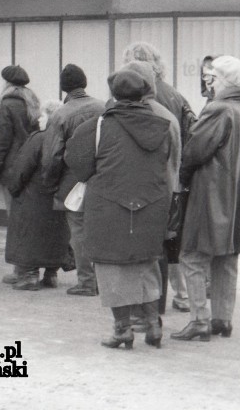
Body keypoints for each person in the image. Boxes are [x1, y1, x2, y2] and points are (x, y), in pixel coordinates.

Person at [65, 68, 177, 349]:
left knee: (110, 267)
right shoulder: (161, 125)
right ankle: (153, 325)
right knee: (147, 263)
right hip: (151, 204)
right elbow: (168, 163)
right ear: (144, 94)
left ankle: (123, 330)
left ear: (114, 94)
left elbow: (77, 164)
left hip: (108, 206)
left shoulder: (97, 126)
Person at [171, 56, 240, 342]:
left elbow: (195, 150)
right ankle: (223, 319)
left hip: (209, 193)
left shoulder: (218, 110)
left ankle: (199, 320)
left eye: (214, 77)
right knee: (226, 257)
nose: (209, 82)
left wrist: (181, 179)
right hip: (237, 194)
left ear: (226, 81)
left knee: (192, 255)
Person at [122, 43, 196, 313]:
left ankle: (154, 302)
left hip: (150, 181)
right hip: (173, 178)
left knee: (156, 243)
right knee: (171, 239)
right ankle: (182, 294)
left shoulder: (144, 98)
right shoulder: (174, 94)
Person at [41, 63, 106, 296]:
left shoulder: (60, 114)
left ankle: (87, 282)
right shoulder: (104, 107)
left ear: (64, 88)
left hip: (72, 182)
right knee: (100, 229)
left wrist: (49, 183)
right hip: (103, 179)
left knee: (78, 231)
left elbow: (52, 155)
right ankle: (103, 280)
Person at [0, 65, 40, 284]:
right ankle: (29, 268)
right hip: (31, 166)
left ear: (6, 83)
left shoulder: (5, 105)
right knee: (28, 218)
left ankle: (21, 270)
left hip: (11, 170)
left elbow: (1, 141)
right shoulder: (32, 103)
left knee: (15, 220)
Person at [3, 99, 69, 290]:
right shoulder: (66, 138)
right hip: (57, 198)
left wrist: (14, 189)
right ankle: (51, 274)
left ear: (49, 117)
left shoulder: (38, 139)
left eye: (43, 114)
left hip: (33, 196)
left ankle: (29, 275)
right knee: (55, 234)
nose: (40, 118)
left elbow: (20, 170)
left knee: (28, 233)